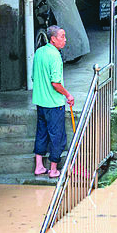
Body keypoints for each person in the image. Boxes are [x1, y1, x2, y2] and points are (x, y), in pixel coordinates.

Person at [32, 25, 74, 178]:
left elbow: (33, 77)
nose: (65, 39)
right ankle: (54, 169)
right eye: (62, 36)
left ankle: (39, 167)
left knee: (42, 133)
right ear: (53, 39)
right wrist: (68, 95)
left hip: (40, 102)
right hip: (54, 104)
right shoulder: (55, 56)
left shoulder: (39, 52)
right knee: (58, 136)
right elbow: (55, 83)